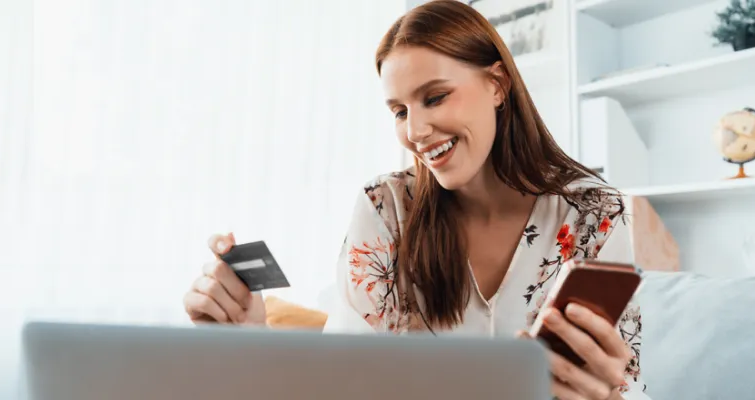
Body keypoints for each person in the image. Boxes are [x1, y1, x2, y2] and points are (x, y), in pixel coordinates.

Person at [182, 1, 650, 399]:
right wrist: (253, 339)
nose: (415, 131)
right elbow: (339, 379)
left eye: (436, 97)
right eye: (400, 110)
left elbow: (626, 378)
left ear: (497, 85)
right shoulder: (385, 209)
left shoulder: (596, 213)